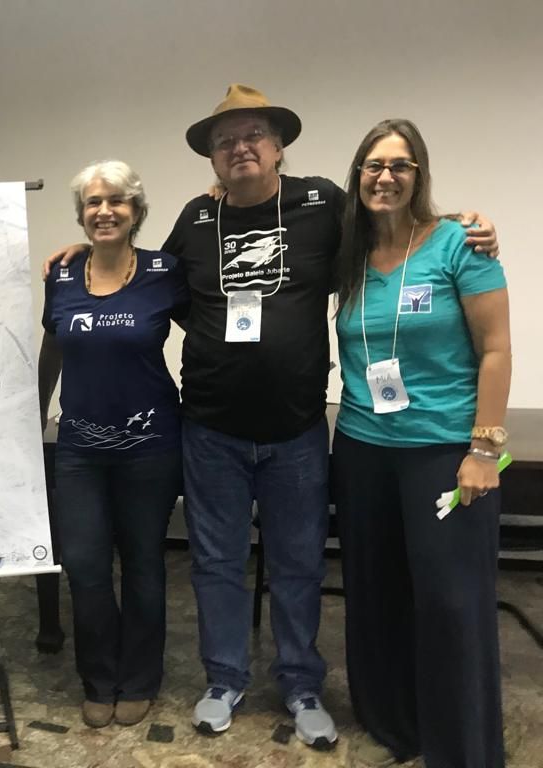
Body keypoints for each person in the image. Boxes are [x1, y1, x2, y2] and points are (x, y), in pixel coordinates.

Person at [44, 84, 498, 750]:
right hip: (210, 429)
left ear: (279, 146)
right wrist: (79, 256)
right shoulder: (198, 217)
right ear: (212, 158)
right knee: (216, 563)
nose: (241, 148)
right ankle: (224, 679)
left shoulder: (322, 203)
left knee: (298, 565)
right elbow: (142, 277)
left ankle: (301, 685)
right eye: (226, 141)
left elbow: (394, 221)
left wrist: (460, 221)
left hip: (297, 431)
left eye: (254, 135)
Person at [332, 119, 510, 768]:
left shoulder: (459, 243)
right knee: (375, 592)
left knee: (451, 602)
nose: (385, 176)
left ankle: (462, 747)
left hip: (443, 450)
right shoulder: (348, 255)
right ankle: (395, 724)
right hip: (361, 447)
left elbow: (496, 350)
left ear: (419, 174)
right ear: (358, 175)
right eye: (374, 165)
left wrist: (484, 449)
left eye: (400, 165)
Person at [38, 161, 188, 728]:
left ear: (136, 211)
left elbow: (211, 330)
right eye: (93, 202)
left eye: (117, 201)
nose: (104, 210)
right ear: (81, 214)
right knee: (84, 564)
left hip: (151, 446)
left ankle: (140, 678)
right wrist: (34, 412)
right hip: (80, 448)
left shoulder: (164, 272)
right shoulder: (62, 276)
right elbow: (53, 347)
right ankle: (99, 679)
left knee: (145, 562)